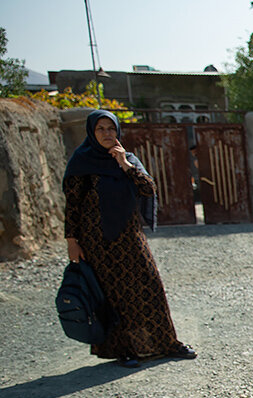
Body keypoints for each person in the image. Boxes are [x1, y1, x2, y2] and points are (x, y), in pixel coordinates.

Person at [63, 110, 196, 368]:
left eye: (111, 129)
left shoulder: (128, 159)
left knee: (150, 287)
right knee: (114, 295)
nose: (106, 134)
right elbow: (72, 207)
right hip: (97, 241)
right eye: (101, 129)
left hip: (129, 235)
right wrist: (72, 241)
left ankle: (167, 343)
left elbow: (148, 189)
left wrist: (124, 164)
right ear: (92, 132)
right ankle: (125, 350)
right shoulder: (81, 162)